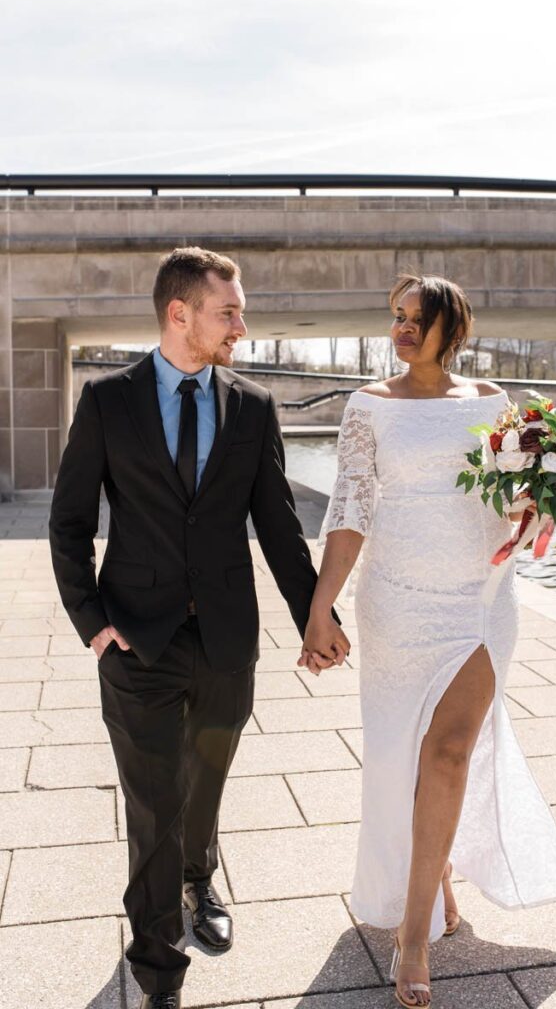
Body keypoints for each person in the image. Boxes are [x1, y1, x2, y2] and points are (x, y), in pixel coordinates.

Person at [49, 247, 348, 1009]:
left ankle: (198, 878)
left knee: (205, 780)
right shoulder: (107, 400)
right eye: (229, 312)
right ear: (179, 314)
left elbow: (278, 525)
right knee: (151, 805)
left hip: (225, 640)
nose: (241, 327)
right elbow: (69, 521)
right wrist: (93, 624)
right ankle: (157, 966)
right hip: (134, 639)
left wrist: (316, 616)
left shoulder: (251, 405)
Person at [299, 274, 556, 1009]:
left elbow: (514, 494)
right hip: (395, 602)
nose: (400, 329)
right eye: (395, 317)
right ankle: (434, 876)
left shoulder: (492, 403)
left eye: (415, 319)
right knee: (404, 752)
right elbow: (351, 504)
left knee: (450, 750)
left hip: (482, 602)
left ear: (450, 330)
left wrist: (542, 505)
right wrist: (320, 607)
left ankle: (414, 936)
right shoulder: (366, 407)